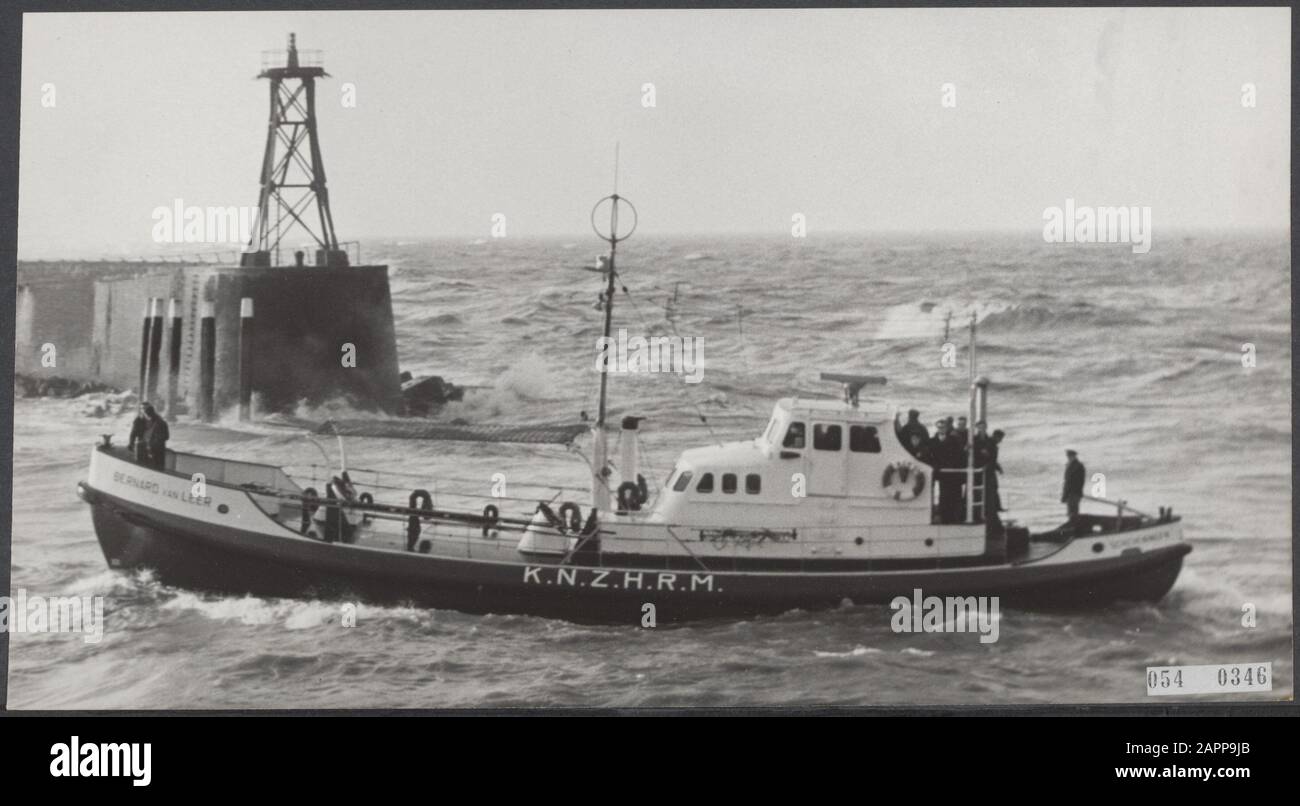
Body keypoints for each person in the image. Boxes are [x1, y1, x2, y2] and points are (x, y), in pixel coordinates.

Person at [142, 403, 170, 469]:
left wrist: (150, 448)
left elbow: (159, 438)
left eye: (146, 415)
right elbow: (166, 436)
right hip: (160, 451)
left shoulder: (156, 423)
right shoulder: (161, 422)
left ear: (148, 414)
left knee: (154, 469)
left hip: (154, 452)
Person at [1062, 449, 1085, 525]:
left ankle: (1075, 528)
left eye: (1069, 456)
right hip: (1071, 493)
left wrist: (1066, 494)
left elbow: (1077, 482)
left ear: (1073, 456)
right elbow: (1067, 482)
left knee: (1073, 512)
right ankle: (1074, 527)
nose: (1068, 458)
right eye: (1068, 456)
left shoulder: (1077, 466)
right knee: (1072, 512)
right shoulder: (1070, 465)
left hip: (1073, 493)